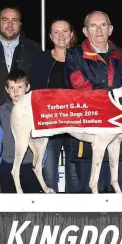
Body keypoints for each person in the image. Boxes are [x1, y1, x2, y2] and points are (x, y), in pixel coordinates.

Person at [64, 10, 122, 193]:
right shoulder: (74, 55)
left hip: (119, 138)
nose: (99, 30)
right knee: (89, 199)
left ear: (110, 29)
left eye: (103, 25)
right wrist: (116, 96)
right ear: (85, 31)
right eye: (93, 26)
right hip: (88, 137)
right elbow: (80, 87)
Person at [30, 18, 77, 193]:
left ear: (71, 34)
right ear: (50, 36)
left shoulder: (80, 58)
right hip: (49, 125)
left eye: (65, 31)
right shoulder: (41, 59)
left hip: (75, 125)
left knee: (75, 174)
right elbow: (35, 91)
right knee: (49, 175)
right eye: (56, 32)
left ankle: (77, 217)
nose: (61, 35)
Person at [0, 6, 42, 121]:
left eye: (14, 20)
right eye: (5, 20)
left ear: (20, 24)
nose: (10, 25)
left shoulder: (34, 49)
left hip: (26, 119)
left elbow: (39, 85)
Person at [0, 69, 40, 193]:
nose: (15, 91)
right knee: (9, 204)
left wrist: (40, 161)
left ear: (28, 87)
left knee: (32, 201)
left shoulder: (36, 110)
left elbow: (42, 137)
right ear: (6, 89)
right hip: (8, 162)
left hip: (30, 163)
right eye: (12, 88)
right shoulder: (2, 111)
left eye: (19, 87)